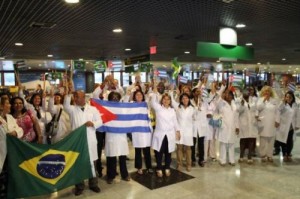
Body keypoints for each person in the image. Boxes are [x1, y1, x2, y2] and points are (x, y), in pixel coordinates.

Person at [64, 89, 102, 196]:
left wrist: (93, 123)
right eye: (74, 97)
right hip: (77, 141)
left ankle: (93, 184)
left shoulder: (93, 109)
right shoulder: (71, 109)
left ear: (83, 98)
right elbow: (66, 104)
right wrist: (68, 92)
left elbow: (100, 121)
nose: (75, 99)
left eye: (77, 97)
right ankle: (79, 186)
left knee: (92, 163)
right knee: (78, 164)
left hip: (90, 140)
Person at [150, 87, 180, 177]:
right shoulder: (158, 108)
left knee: (168, 152)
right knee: (159, 152)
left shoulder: (172, 111)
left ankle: (167, 167)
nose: (166, 101)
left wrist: (178, 131)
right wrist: (155, 93)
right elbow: (152, 103)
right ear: (162, 100)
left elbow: (175, 122)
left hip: (170, 134)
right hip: (160, 134)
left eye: (168, 99)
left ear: (170, 101)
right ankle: (159, 168)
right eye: (164, 99)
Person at [0, 96, 24, 199]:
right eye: (7, 103)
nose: (10, 105)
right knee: (2, 180)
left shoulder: (10, 117)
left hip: (12, 154)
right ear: (1, 106)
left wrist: (15, 132)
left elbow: (20, 130)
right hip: (2, 155)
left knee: (11, 178)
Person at [104, 92, 131, 184]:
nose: (115, 99)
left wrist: (128, 94)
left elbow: (127, 107)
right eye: (113, 97)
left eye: (116, 97)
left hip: (121, 136)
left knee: (122, 157)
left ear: (119, 99)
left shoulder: (122, 108)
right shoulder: (106, 108)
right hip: (111, 135)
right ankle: (110, 176)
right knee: (111, 157)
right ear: (109, 98)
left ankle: (125, 174)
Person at [215, 90, 239, 166]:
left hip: (232, 126)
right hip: (224, 127)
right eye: (227, 95)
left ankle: (232, 160)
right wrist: (221, 95)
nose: (229, 96)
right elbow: (217, 103)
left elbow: (236, 117)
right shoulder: (222, 103)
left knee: (232, 143)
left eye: (230, 95)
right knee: (223, 144)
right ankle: (223, 160)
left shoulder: (234, 104)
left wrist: (237, 126)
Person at [256, 86, 280, 162]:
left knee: (271, 139)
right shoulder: (260, 100)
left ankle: (270, 155)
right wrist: (264, 100)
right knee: (263, 139)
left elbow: (277, 111)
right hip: (263, 122)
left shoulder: (274, 100)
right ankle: (263, 155)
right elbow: (258, 108)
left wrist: (277, 121)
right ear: (263, 92)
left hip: (272, 123)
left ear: (271, 92)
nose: (267, 93)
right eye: (265, 91)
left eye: (268, 91)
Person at [275, 91, 299, 162]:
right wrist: (277, 121)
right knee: (283, 141)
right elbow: (278, 110)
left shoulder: (295, 105)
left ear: (292, 98)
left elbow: (297, 116)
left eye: (290, 97)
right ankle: (284, 154)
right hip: (284, 126)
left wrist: (298, 124)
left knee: (290, 142)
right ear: (285, 97)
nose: (288, 98)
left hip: (291, 127)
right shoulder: (283, 104)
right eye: (287, 97)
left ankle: (288, 153)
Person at [237, 90, 258, 164]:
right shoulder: (239, 100)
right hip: (243, 124)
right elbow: (238, 111)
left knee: (251, 140)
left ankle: (249, 156)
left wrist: (256, 115)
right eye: (245, 92)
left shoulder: (253, 100)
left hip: (252, 123)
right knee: (243, 140)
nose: (247, 94)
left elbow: (256, 109)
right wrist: (242, 105)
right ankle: (241, 156)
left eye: (248, 93)